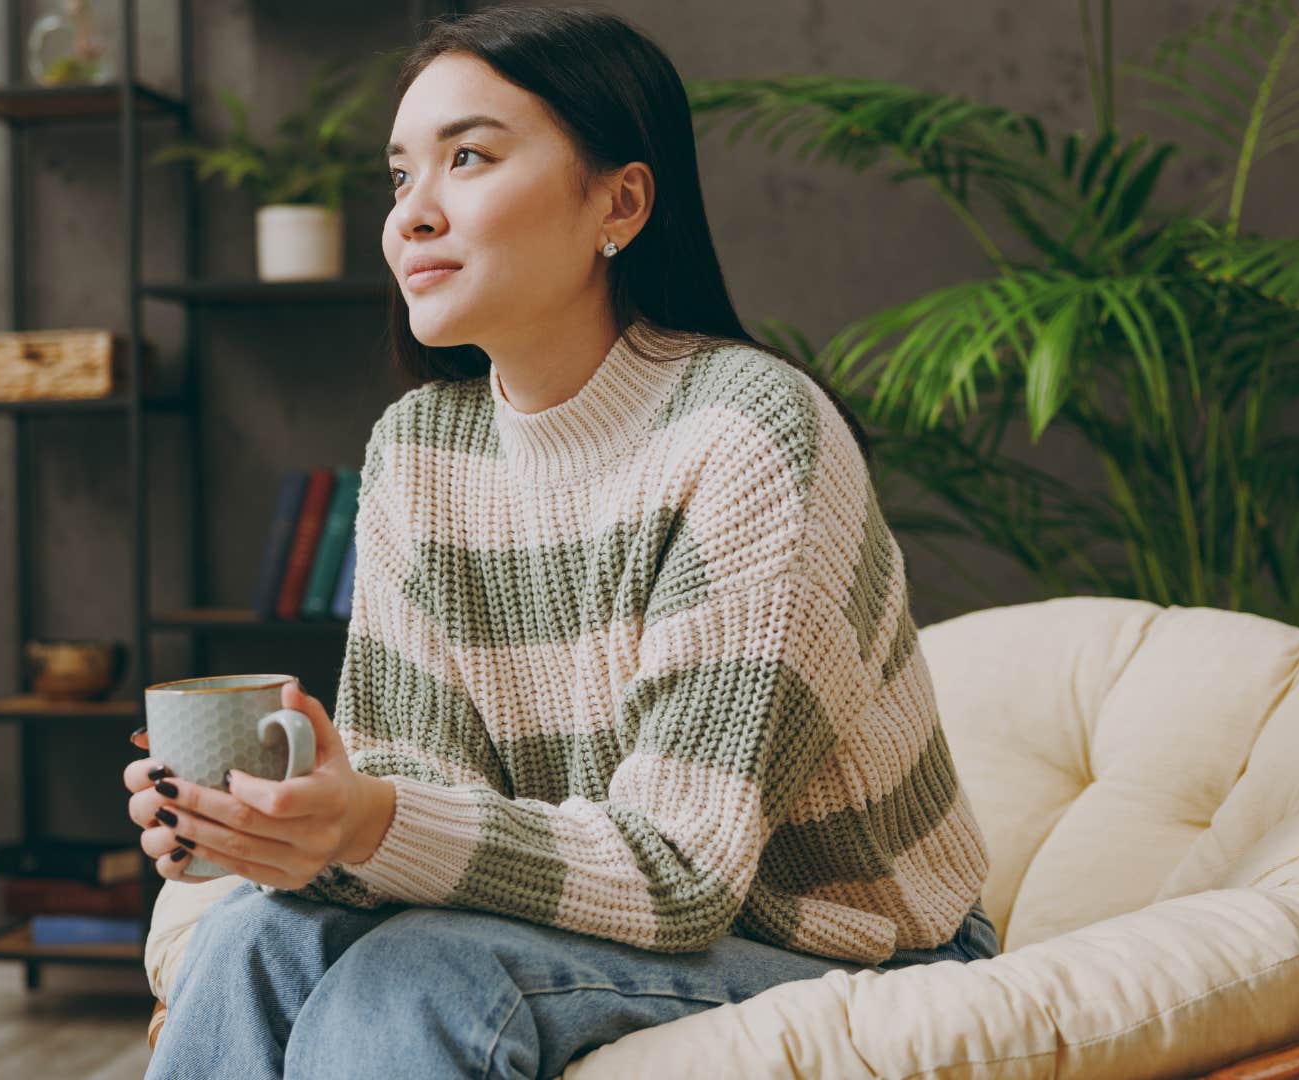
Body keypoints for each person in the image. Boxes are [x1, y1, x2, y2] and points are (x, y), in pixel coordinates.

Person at [124, 6, 994, 1077]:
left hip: (853, 952)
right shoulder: (422, 449)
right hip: (593, 926)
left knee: (421, 978)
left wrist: (368, 822)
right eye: (401, 177)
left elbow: (683, 869)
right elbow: (415, 785)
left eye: (470, 158)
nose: (411, 216)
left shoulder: (750, 436)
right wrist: (294, 834)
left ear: (618, 201)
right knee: (256, 937)